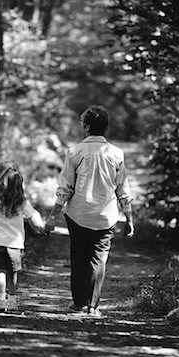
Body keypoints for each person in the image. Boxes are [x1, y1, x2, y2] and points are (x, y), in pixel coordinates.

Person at [45, 105, 134, 316]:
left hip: (78, 214)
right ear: (106, 127)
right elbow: (123, 189)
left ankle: (78, 302)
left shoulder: (74, 152)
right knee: (99, 259)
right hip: (106, 216)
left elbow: (64, 188)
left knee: (79, 257)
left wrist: (52, 217)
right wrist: (129, 217)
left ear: (86, 127)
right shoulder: (116, 153)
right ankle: (93, 307)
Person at [0, 166, 44, 312]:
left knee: (0, 271)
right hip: (15, 245)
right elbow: (35, 219)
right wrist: (41, 228)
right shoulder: (22, 204)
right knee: (13, 273)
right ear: (20, 186)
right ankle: (11, 300)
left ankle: (1, 299)